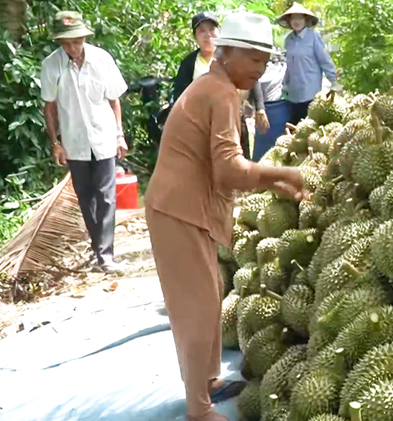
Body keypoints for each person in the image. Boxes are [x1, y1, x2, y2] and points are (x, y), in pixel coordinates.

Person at [143, 11, 308, 421]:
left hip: (187, 206)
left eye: (265, 61)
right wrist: (283, 173)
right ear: (228, 52)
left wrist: (272, 182)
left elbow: (221, 166)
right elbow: (229, 169)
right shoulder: (217, 92)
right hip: (174, 209)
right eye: (253, 59)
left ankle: (209, 379)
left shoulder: (217, 87)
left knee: (211, 290)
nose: (259, 69)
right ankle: (199, 409)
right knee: (195, 307)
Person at [40, 11, 128, 275]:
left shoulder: (102, 60)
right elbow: (50, 108)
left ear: (84, 37)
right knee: (86, 197)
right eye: (66, 43)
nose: (72, 48)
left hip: (103, 137)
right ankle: (98, 248)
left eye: (76, 41)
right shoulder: (51, 65)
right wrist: (55, 143)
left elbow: (114, 100)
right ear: (59, 42)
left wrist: (119, 134)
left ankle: (106, 255)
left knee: (106, 196)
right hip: (74, 141)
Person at [171, 11, 270, 157]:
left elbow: (253, 79)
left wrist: (260, 108)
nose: (208, 35)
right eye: (202, 31)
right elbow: (180, 92)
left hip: (235, 114)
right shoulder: (190, 63)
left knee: (239, 152)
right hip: (203, 121)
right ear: (195, 37)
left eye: (211, 29)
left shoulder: (234, 59)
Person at [277, 2, 342, 125]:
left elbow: (324, 60)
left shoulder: (313, 37)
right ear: (289, 21)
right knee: (295, 131)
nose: (296, 21)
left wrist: (334, 81)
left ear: (306, 20)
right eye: (293, 18)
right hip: (293, 94)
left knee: (310, 129)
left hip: (310, 92)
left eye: (299, 17)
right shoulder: (289, 40)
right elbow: (288, 66)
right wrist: (284, 84)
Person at [251, 54, 290, 161]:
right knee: (263, 153)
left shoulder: (284, 64)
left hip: (281, 106)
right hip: (269, 108)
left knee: (280, 152)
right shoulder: (258, 66)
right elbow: (255, 80)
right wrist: (260, 108)